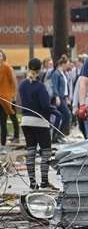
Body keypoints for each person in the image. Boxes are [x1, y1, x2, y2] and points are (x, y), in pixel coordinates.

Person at [17, 58, 56, 190]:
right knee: (46, 152)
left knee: (31, 152)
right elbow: (45, 106)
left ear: (28, 68)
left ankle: (33, 183)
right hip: (40, 122)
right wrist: (55, 111)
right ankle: (44, 182)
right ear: (40, 70)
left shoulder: (22, 85)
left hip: (26, 122)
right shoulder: (40, 87)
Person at [0, 49, 20, 148]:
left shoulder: (7, 67)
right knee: (2, 120)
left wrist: (14, 96)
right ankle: (2, 142)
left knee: (13, 116)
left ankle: (16, 136)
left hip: (8, 97)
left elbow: (13, 82)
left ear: (3, 56)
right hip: (0, 98)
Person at [49, 55, 71, 142]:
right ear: (63, 64)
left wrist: (67, 97)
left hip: (63, 97)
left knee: (60, 116)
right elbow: (54, 86)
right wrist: (57, 96)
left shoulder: (63, 74)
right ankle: (58, 134)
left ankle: (57, 135)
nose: (68, 66)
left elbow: (66, 87)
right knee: (66, 115)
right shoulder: (56, 73)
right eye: (67, 64)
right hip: (59, 98)